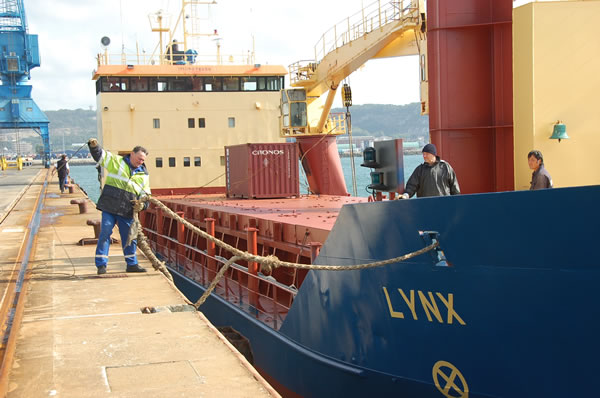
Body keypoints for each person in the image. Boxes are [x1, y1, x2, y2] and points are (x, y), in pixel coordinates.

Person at [87, 138, 151, 275]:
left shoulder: (144, 175)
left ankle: (131, 264)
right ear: (132, 154)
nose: (141, 162)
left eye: (143, 160)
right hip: (110, 206)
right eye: (139, 158)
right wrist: (94, 146)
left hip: (127, 209)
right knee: (105, 232)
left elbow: (146, 194)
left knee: (129, 237)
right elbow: (100, 155)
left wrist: (143, 205)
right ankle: (101, 265)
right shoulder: (117, 162)